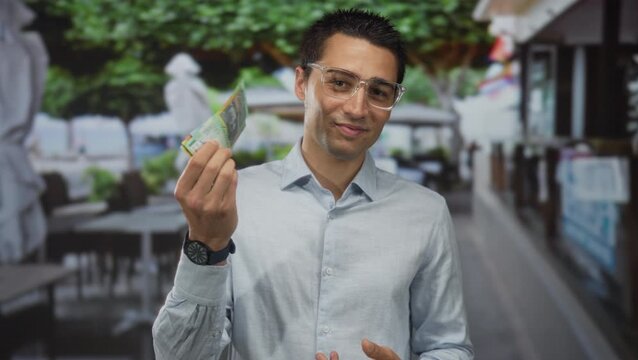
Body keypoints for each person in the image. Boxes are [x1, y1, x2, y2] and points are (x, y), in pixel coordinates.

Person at [152, 9, 473, 360]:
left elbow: (448, 345)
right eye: (339, 82)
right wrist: (205, 244)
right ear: (301, 82)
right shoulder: (231, 199)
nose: (357, 107)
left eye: (379, 91)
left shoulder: (425, 211)